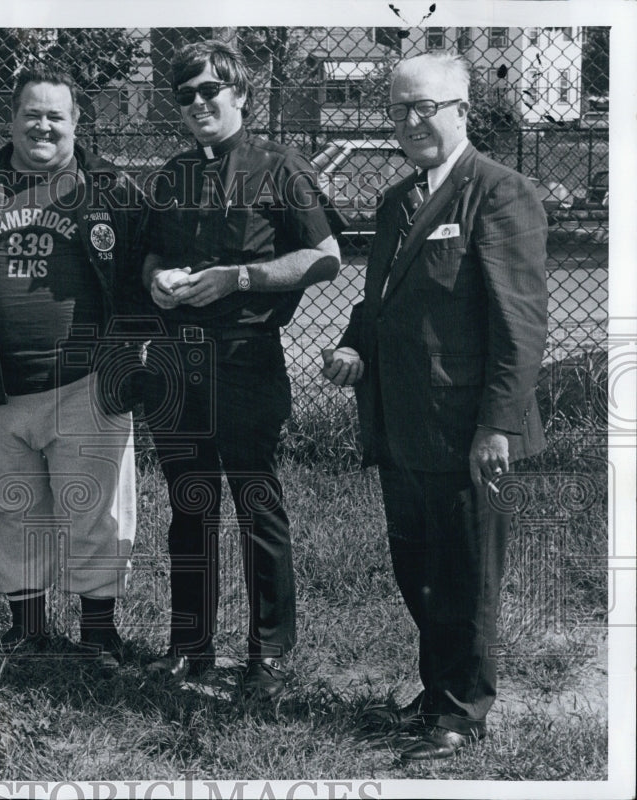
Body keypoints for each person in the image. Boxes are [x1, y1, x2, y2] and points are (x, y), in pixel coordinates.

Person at [322, 52, 548, 760]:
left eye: (426, 107)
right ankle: (438, 688)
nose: (411, 121)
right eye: (399, 109)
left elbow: (521, 325)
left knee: (467, 574)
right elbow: (379, 303)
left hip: (468, 432)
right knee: (417, 568)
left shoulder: (500, 194)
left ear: (461, 111)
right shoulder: (397, 202)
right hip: (401, 425)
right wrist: (355, 344)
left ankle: (461, 714)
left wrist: (498, 426)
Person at [0, 64, 143, 668]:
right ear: (11, 119)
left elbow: (142, 278)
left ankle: (98, 634)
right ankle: (28, 633)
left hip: (86, 380)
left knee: (96, 506)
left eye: (56, 116)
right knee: (9, 506)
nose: (42, 126)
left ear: (76, 123)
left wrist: (136, 352)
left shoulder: (112, 187)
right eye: (31, 114)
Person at [141, 39, 343, 700]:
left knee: (256, 502)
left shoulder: (280, 168)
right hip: (180, 360)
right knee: (188, 505)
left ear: (242, 96)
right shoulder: (170, 174)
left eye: (210, 91)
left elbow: (324, 256)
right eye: (186, 94)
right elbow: (147, 259)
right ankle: (190, 647)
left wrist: (243, 277)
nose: (198, 103)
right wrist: (158, 283)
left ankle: (271, 656)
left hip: (245, 356)